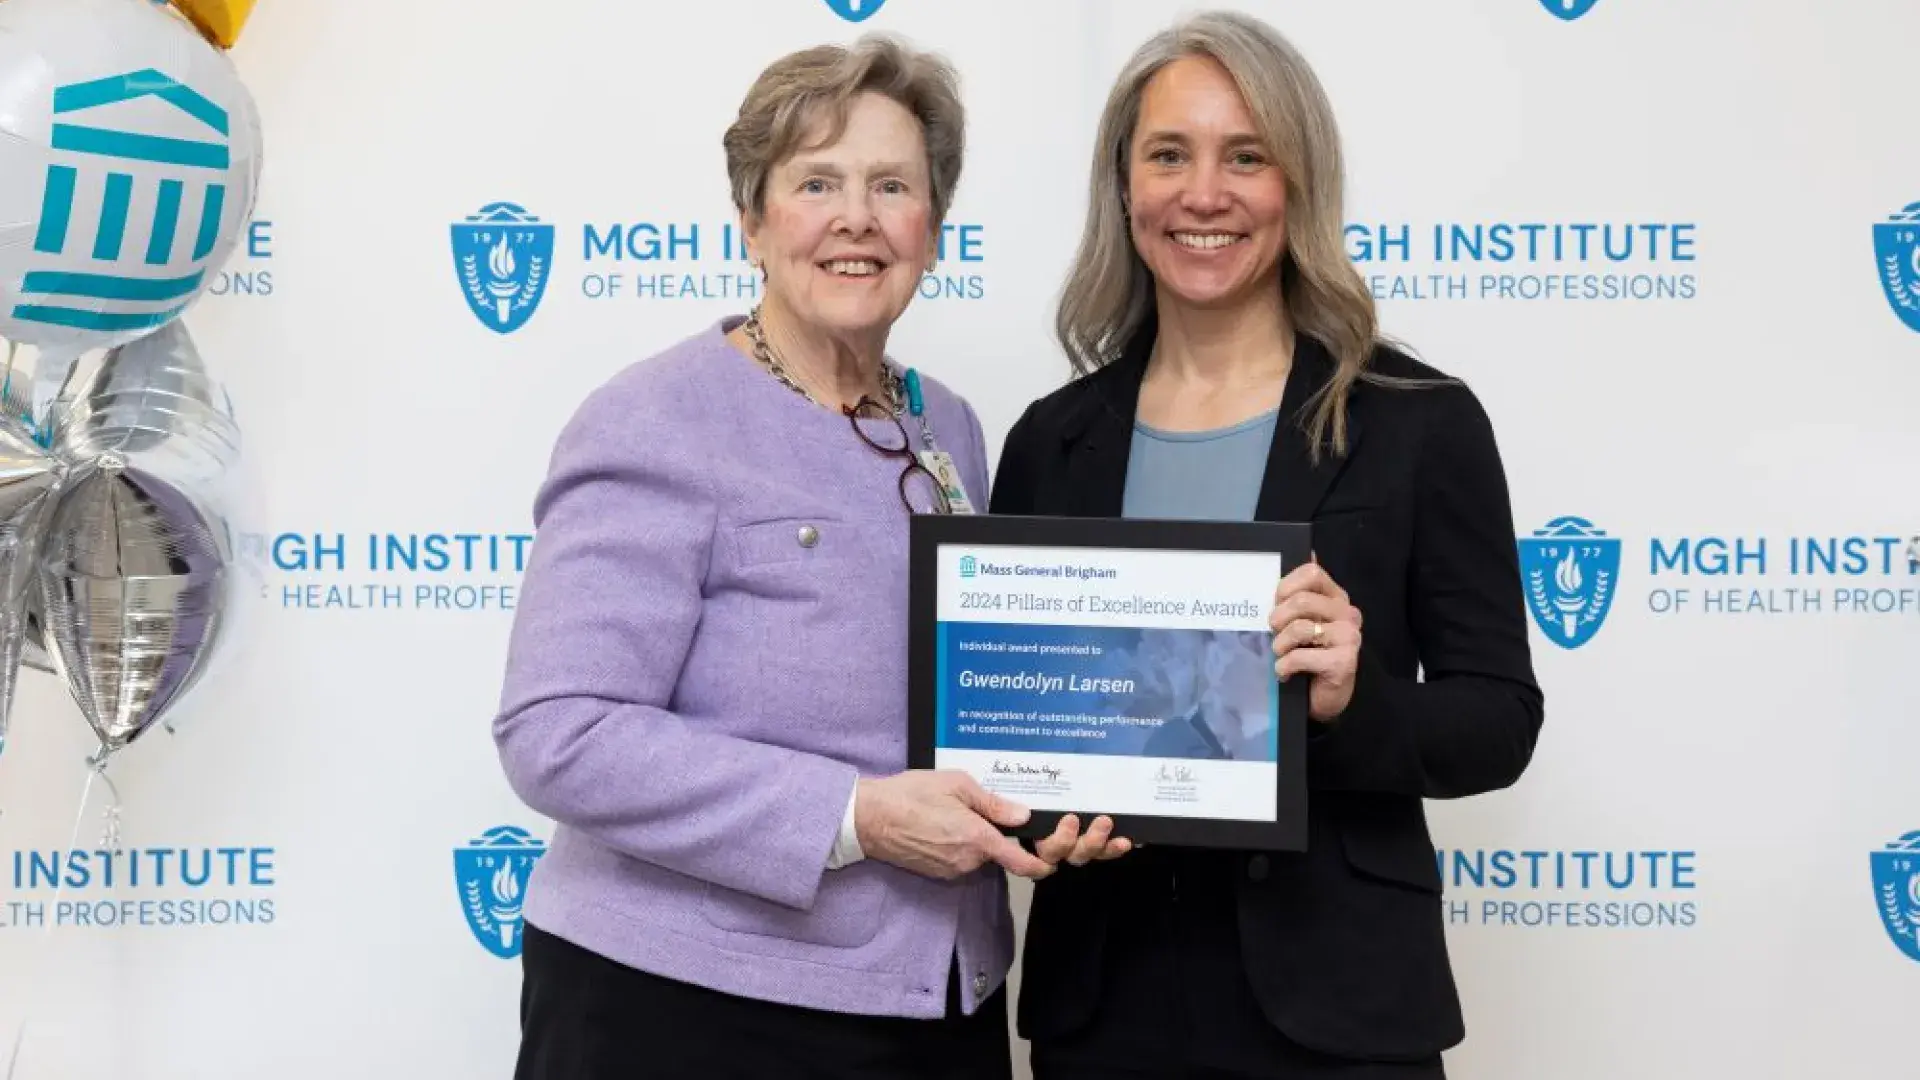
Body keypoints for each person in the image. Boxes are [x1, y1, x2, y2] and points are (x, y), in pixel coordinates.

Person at [990, 12, 1546, 1079]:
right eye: (1169, 155)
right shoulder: (1051, 441)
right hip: (1104, 1009)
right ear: (1125, 187)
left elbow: (1500, 720)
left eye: (1247, 156)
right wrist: (1029, 818)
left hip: (1340, 1007)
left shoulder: (1418, 421)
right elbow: (1024, 716)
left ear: (1299, 184)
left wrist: (1354, 697)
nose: (1205, 194)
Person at [491, 34, 1054, 1080]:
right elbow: (558, 733)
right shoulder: (655, 418)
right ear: (752, 220)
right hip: (691, 1013)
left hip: (940, 996)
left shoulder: (953, 427)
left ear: (932, 226)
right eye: (817, 183)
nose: (857, 218)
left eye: (893, 184)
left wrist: (1054, 799)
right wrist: (856, 818)